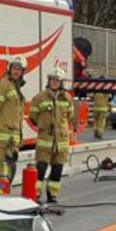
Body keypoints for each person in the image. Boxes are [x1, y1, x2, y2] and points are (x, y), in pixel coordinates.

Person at [30, 67, 75, 202]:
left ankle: (52, 195)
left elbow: (70, 117)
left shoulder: (67, 98)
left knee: (57, 171)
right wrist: (43, 125)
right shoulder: (39, 97)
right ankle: (36, 195)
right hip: (45, 141)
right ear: (48, 81)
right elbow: (33, 116)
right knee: (41, 169)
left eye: (57, 80)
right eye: (52, 80)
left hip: (61, 143)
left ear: (61, 82)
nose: (54, 82)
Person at [0, 56, 27, 195]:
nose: (16, 71)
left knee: (12, 165)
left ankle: (6, 191)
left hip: (15, 133)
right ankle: (1, 194)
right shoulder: (4, 84)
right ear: (9, 69)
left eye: (19, 69)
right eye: (14, 68)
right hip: (5, 131)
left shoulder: (16, 86)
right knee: (4, 165)